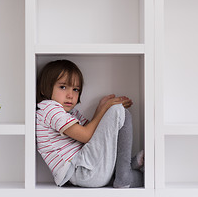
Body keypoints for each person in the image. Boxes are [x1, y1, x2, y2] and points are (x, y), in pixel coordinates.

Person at [36, 59, 144, 188]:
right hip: (82, 171)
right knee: (119, 111)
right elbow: (86, 136)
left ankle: (123, 171)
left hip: (86, 171)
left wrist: (100, 108)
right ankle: (124, 171)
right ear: (44, 89)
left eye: (76, 89)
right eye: (63, 87)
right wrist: (105, 109)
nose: (70, 95)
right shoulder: (50, 109)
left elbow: (94, 134)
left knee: (146, 177)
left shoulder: (68, 113)